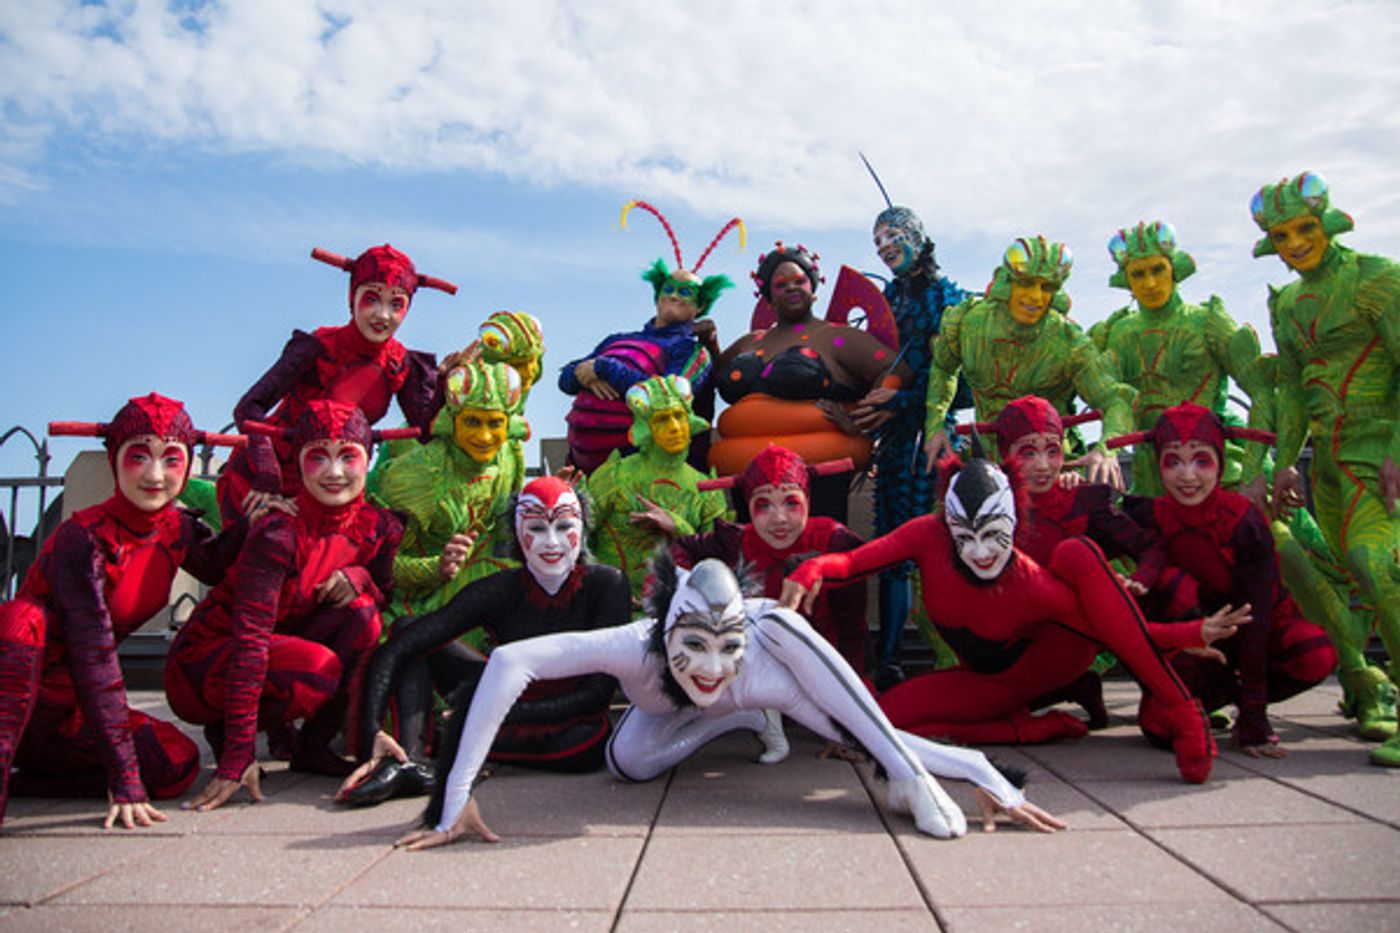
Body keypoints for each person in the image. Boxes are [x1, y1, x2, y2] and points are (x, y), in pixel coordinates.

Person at [395, 557, 1063, 849]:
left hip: (769, 673)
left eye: (726, 647)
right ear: (665, 631)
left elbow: (870, 730)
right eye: (696, 645)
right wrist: (452, 802)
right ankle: (740, 724)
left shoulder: (759, 665)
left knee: (790, 642)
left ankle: (752, 710)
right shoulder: (633, 643)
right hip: (665, 708)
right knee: (626, 763)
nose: (712, 667)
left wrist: (980, 772)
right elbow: (512, 661)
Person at [780, 440, 1219, 781]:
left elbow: (1115, 632)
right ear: (948, 526)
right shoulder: (927, 535)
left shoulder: (1032, 583)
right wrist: (810, 569)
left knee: (1077, 555)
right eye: (964, 537)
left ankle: (1180, 705)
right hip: (982, 677)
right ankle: (1024, 729)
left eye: (993, 535)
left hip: (1039, 666)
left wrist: (1189, 634)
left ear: (1012, 524)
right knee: (878, 725)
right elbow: (856, 562)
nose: (980, 552)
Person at [0, 394, 245, 828]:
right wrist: (126, 776)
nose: (155, 475)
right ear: (114, 459)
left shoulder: (177, 528)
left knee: (178, 764)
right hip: (21, 695)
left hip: (72, 716)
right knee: (20, 619)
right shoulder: (82, 538)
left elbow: (226, 564)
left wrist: (263, 514)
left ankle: (30, 783)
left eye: (171, 459)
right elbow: (93, 657)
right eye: (138, 457)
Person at [165, 401, 408, 810]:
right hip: (204, 665)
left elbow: (383, 591)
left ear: (368, 459)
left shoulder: (379, 527)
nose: (334, 472)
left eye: (347, 456)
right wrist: (239, 753)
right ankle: (226, 731)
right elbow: (250, 641)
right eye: (318, 457)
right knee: (316, 669)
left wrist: (359, 576)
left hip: (286, 648)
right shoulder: (279, 532)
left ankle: (312, 746)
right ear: (298, 461)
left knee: (365, 616)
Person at [338, 475, 629, 806]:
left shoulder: (607, 585)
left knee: (586, 743)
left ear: (582, 528)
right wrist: (371, 732)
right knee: (408, 630)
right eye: (536, 528)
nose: (551, 543)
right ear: (518, 535)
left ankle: (463, 740)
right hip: (502, 705)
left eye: (563, 527)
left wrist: (490, 714)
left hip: (567, 731)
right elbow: (400, 646)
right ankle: (411, 759)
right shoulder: (500, 589)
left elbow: (594, 696)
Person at [1251, 171, 1400, 766]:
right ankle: (1366, 685)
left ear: (1328, 223)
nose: (1294, 244)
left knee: (1375, 562)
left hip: (1377, 451)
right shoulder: (1287, 303)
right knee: (1312, 564)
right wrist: (1284, 463)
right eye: (1282, 234)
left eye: (1304, 229)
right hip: (1328, 465)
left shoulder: (1377, 280)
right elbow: (1290, 387)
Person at [1112, 403, 1338, 757]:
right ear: (1159, 464)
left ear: (1219, 460)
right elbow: (1092, 510)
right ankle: (1196, 694)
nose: (1188, 476)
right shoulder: (1150, 514)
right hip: (1193, 644)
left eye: (1201, 460)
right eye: (1173, 461)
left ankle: (1233, 696)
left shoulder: (1244, 521)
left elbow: (1258, 616)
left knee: (1315, 654)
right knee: (1160, 727)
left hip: (1257, 636)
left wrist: (1254, 713)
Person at [216, 244, 456, 526]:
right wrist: (267, 475)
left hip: (336, 487)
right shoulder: (319, 346)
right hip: (267, 486)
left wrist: (444, 380)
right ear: (352, 297)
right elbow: (248, 408)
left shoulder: (401, 364)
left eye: (396, 304)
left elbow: (426, 430)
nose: (382, 315)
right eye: (372, 299)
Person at [852, 206, 969, 689]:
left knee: (947, 547)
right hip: (895, 445)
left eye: (893, 235)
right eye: (877, 241)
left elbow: (960, 385)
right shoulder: (886, 301)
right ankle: (891, 658)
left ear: (918, 237)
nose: (884, 247)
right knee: (893, 552)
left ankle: (957, 654)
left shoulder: (949, 300)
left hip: (936, 440)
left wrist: (902, 400)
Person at [922, 236, 1134, 488]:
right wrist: (935, 425)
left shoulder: (1069, 343)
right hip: (987, 468)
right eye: (1027, 284)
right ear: (1007, 282)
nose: (1035, 297)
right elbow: (943, 368)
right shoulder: (968, 323)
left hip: (1050, 474)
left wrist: (1106, 449)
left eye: (1046, 288)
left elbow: (1114, 401)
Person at [1091, 221, 1274, 496]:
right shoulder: (1118, 332)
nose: (1150, 283)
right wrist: (1106, 445)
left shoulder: (1207, 322)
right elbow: (1115, 400)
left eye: (1157, 270)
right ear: (1126, 280)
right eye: (1138, 274)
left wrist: (1256, 470)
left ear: (1173, 268)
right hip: (1150, 482)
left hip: (1219, 475)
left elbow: (1260, 388)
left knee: (1279, 534)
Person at [560, 201, 742, 474]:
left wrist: (603, 368)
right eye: (669, 287)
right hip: (587, 474)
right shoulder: (615, 340)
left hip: (652, 476)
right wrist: (585, 374)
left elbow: (666, 396)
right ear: (657, 294)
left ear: (700, 306)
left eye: (686, 292)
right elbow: (565, 380)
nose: (674, 295)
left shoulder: (693, 353)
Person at [673, 445, 867, 672]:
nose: (779, 519)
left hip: (825, 669)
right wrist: (688, 598)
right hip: (754, 670)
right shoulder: (736, 541)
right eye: (764, 505)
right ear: (748, 505)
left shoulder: (834, 542)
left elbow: (852, 633)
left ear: (807, 500)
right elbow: (681, 550)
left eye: (791, 503)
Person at [585, 374, 727, 602]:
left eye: (679, 416)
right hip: (614, 610)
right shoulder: (615, 476)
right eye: (662, 419)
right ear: (645, 427)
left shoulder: (706, 487)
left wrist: (678, 526)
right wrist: (599, 591)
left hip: (679, 612)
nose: (674, 427)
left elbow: (715, 560)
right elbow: (580, 536)